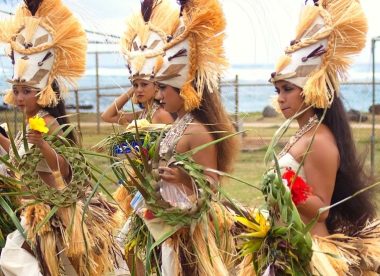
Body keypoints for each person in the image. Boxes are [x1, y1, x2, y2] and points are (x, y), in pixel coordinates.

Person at [0, 1, 120, 275]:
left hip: (53, 214)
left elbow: (65, 167)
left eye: (26, 91)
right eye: (16, 91)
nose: (19, 98)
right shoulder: (30, 122)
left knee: (18, 263)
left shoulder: (50, 123)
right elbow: (21, 160)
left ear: (42, 92)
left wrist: (42, 144)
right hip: (30, 213)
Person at [120, 0, 240, 274]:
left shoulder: (198, 130)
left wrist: (184, 178)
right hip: (169, 221)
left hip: (189, 228)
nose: (159, 95)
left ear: (184, 89)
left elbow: (212, 185)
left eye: (163, 88)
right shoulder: (181, 124)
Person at [264, 0, 379, 274]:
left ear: (310, 89)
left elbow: (322, 210)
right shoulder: (303, 132)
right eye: (278, 90)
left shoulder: (320, 140)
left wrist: (286, 184)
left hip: (309, 252)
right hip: (287, 247)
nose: (280, 99)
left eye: (287, 89)